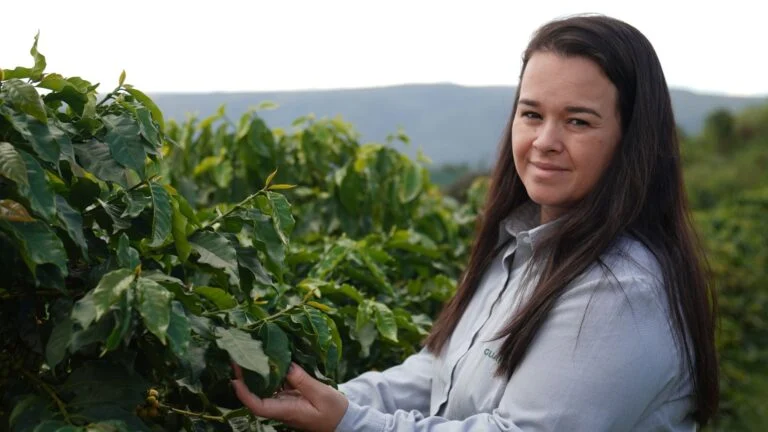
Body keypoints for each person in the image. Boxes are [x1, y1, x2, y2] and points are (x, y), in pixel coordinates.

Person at [231, 13, 719, 431]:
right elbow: (437, 375)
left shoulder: (622, 291)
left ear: (631, 139)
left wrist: (349, 422)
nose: (545, 141)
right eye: (532, 114)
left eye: (578, 121)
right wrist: (321, 397)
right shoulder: (518, 249)